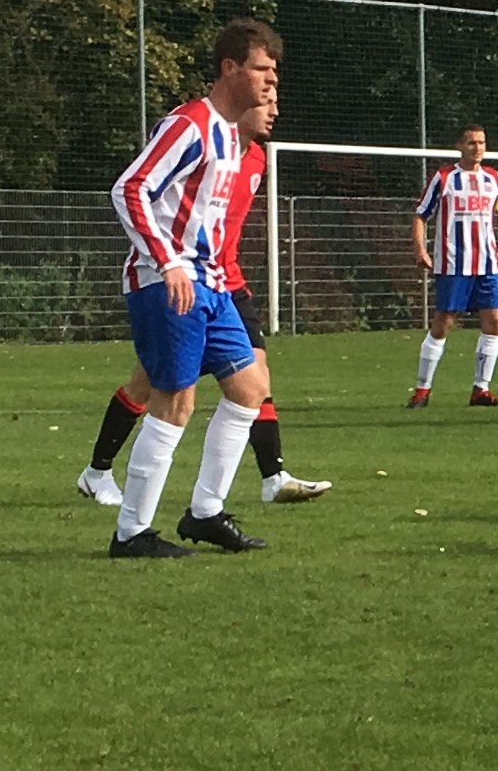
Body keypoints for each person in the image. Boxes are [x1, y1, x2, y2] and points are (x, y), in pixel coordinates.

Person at [102, 20, 286, 556]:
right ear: (230, 68)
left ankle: (205, 514)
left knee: (249, 388)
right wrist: (169, 262)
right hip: (167, 282)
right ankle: (131, 534)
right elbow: (130, 188)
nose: (270, 80)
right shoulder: (190, 124)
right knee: (175, 399)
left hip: (210, 284)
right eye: (261, 69)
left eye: (273, 71)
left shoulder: (232, 136)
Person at [80, 123, 329, 509]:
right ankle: (98, 474)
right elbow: (146, 197)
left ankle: (270, 478)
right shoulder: (202, 144)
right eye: (265, 95)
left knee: (254, 381)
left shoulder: (256, 159)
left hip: (228, 285)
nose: (273, 108)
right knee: (147, 387)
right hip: (187, 284)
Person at [408, 126, 498, 408]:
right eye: (471, 143)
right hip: (453, 263)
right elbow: (421, 215)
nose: (477, 148)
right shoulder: (444, 178)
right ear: (460, 145)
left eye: (481, 142)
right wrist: (420, 248)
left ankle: (481, 389)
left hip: (487, 263)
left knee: (494, 321)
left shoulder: (493, 179)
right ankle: (422, 389)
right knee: (443, 323)